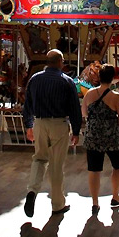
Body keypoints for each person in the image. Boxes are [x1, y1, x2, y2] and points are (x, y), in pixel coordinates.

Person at [23, 49, 82, 217]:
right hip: (59, 124)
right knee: (56, 165)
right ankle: (57, 204)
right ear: (60, 62)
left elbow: (27, 105)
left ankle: (32, 191)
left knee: (39, 159)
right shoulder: (67, 81)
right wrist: (76, 130)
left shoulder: (34, 79)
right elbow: (74, 109)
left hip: (39, 123)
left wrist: (29, 125)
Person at [82, 64, 119, 215]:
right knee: (117, 166)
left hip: (93, 136)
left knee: (94, 170)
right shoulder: (116, 97)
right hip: (111, 136)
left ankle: (95, 202)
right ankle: (115, 196)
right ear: (113, 78)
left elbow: (84, 113)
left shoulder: (89, 94)